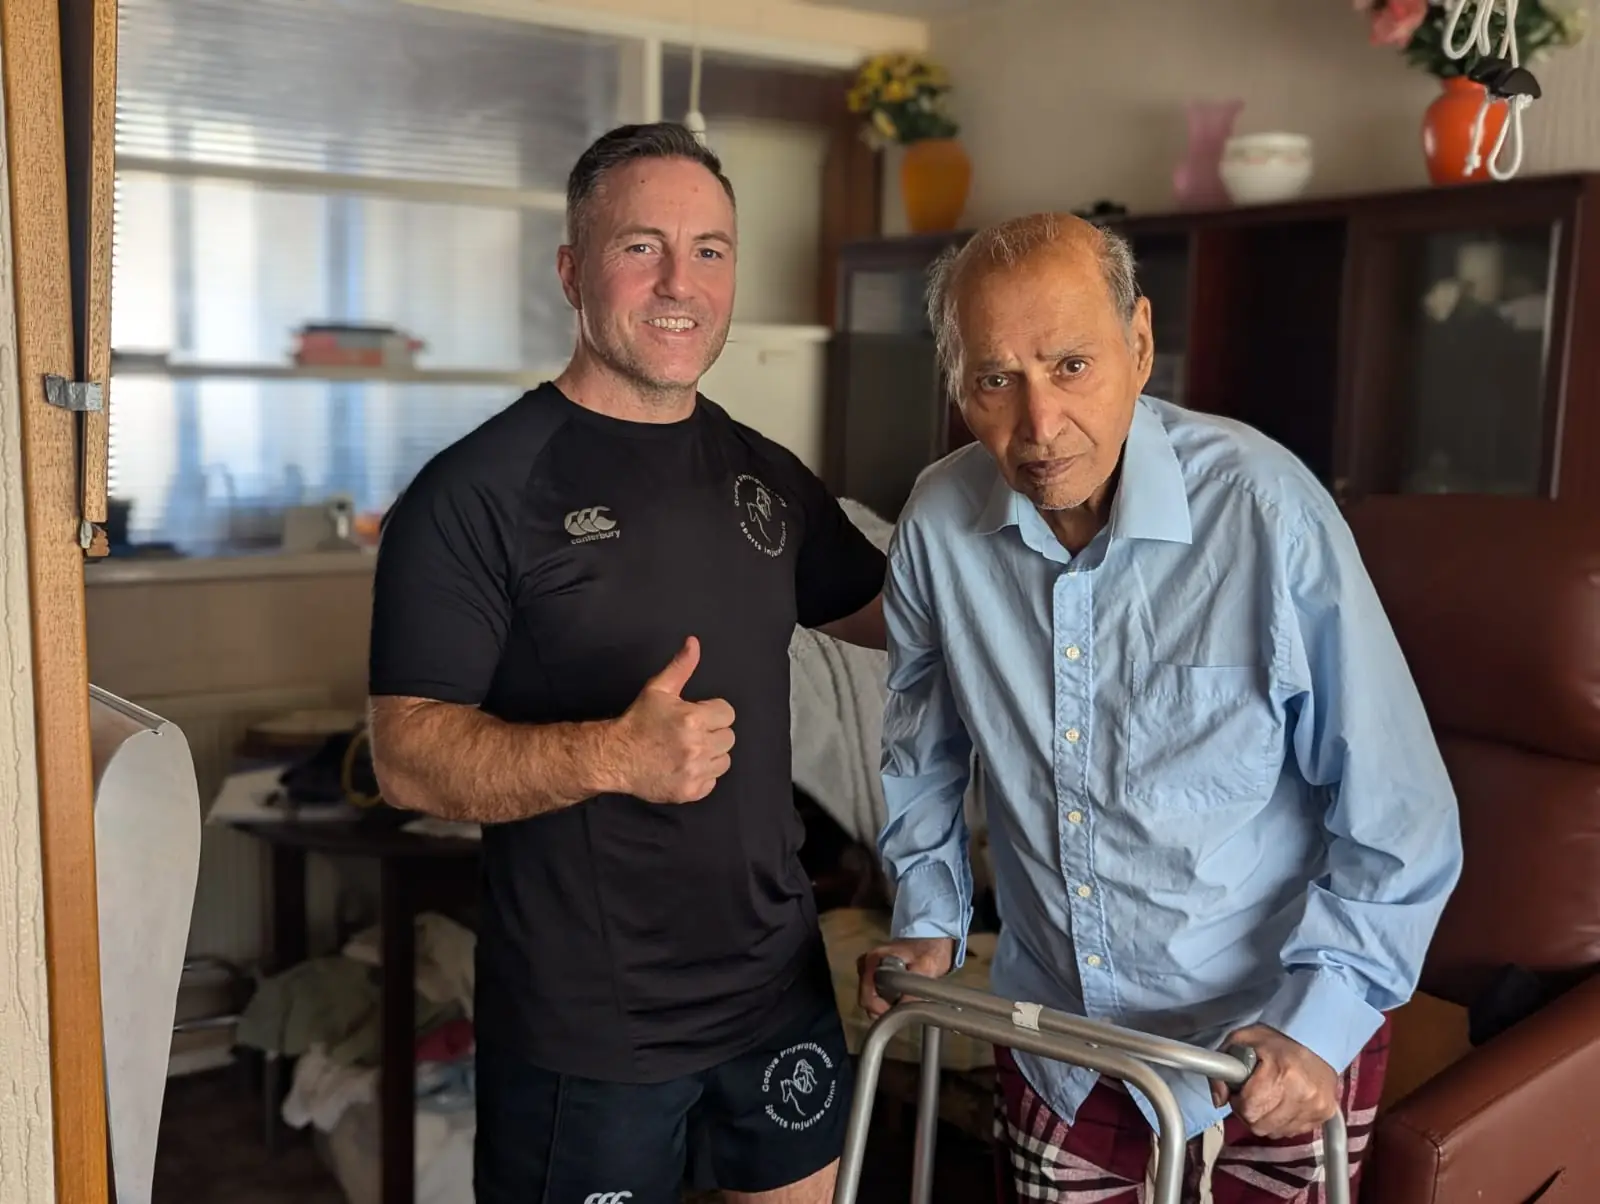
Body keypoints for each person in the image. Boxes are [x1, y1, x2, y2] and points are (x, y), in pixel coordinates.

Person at [856, 212, 1462, 1203]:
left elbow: (1400, 812)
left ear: (1139, 345)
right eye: (994, 380)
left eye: (1071, 365)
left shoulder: (1267, 512)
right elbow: (921, 738)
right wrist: (929, 916)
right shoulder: (937, 521)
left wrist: (1320, 1024)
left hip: (1266, 1049)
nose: (1038, 426)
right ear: (955, 382)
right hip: (1061, 1041)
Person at [367, 122, 886, 1204]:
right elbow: (408, 757)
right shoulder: (474, 493)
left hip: (776, 990)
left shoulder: (764, 474)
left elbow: (892, 612)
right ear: (570, 268)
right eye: (640, 245)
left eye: (709, 249)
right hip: (587, 1029)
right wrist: (615, 754)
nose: (679, 283)